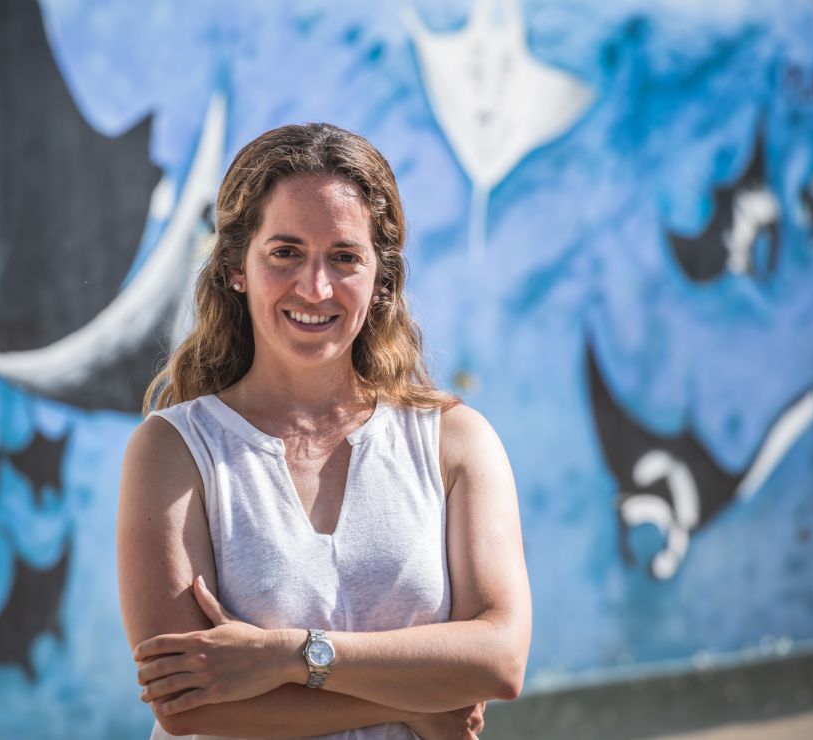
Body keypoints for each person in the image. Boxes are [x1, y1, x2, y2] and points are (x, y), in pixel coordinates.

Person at [117, 123, 531, 739]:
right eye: (284, 252)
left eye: (344, 257)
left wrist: (288, 657)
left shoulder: (455, 443)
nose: (315, 288)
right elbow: (188, 705)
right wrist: (421, 700)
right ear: (236, 266)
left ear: (380, 278)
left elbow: (499, 661)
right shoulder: (174, 451)